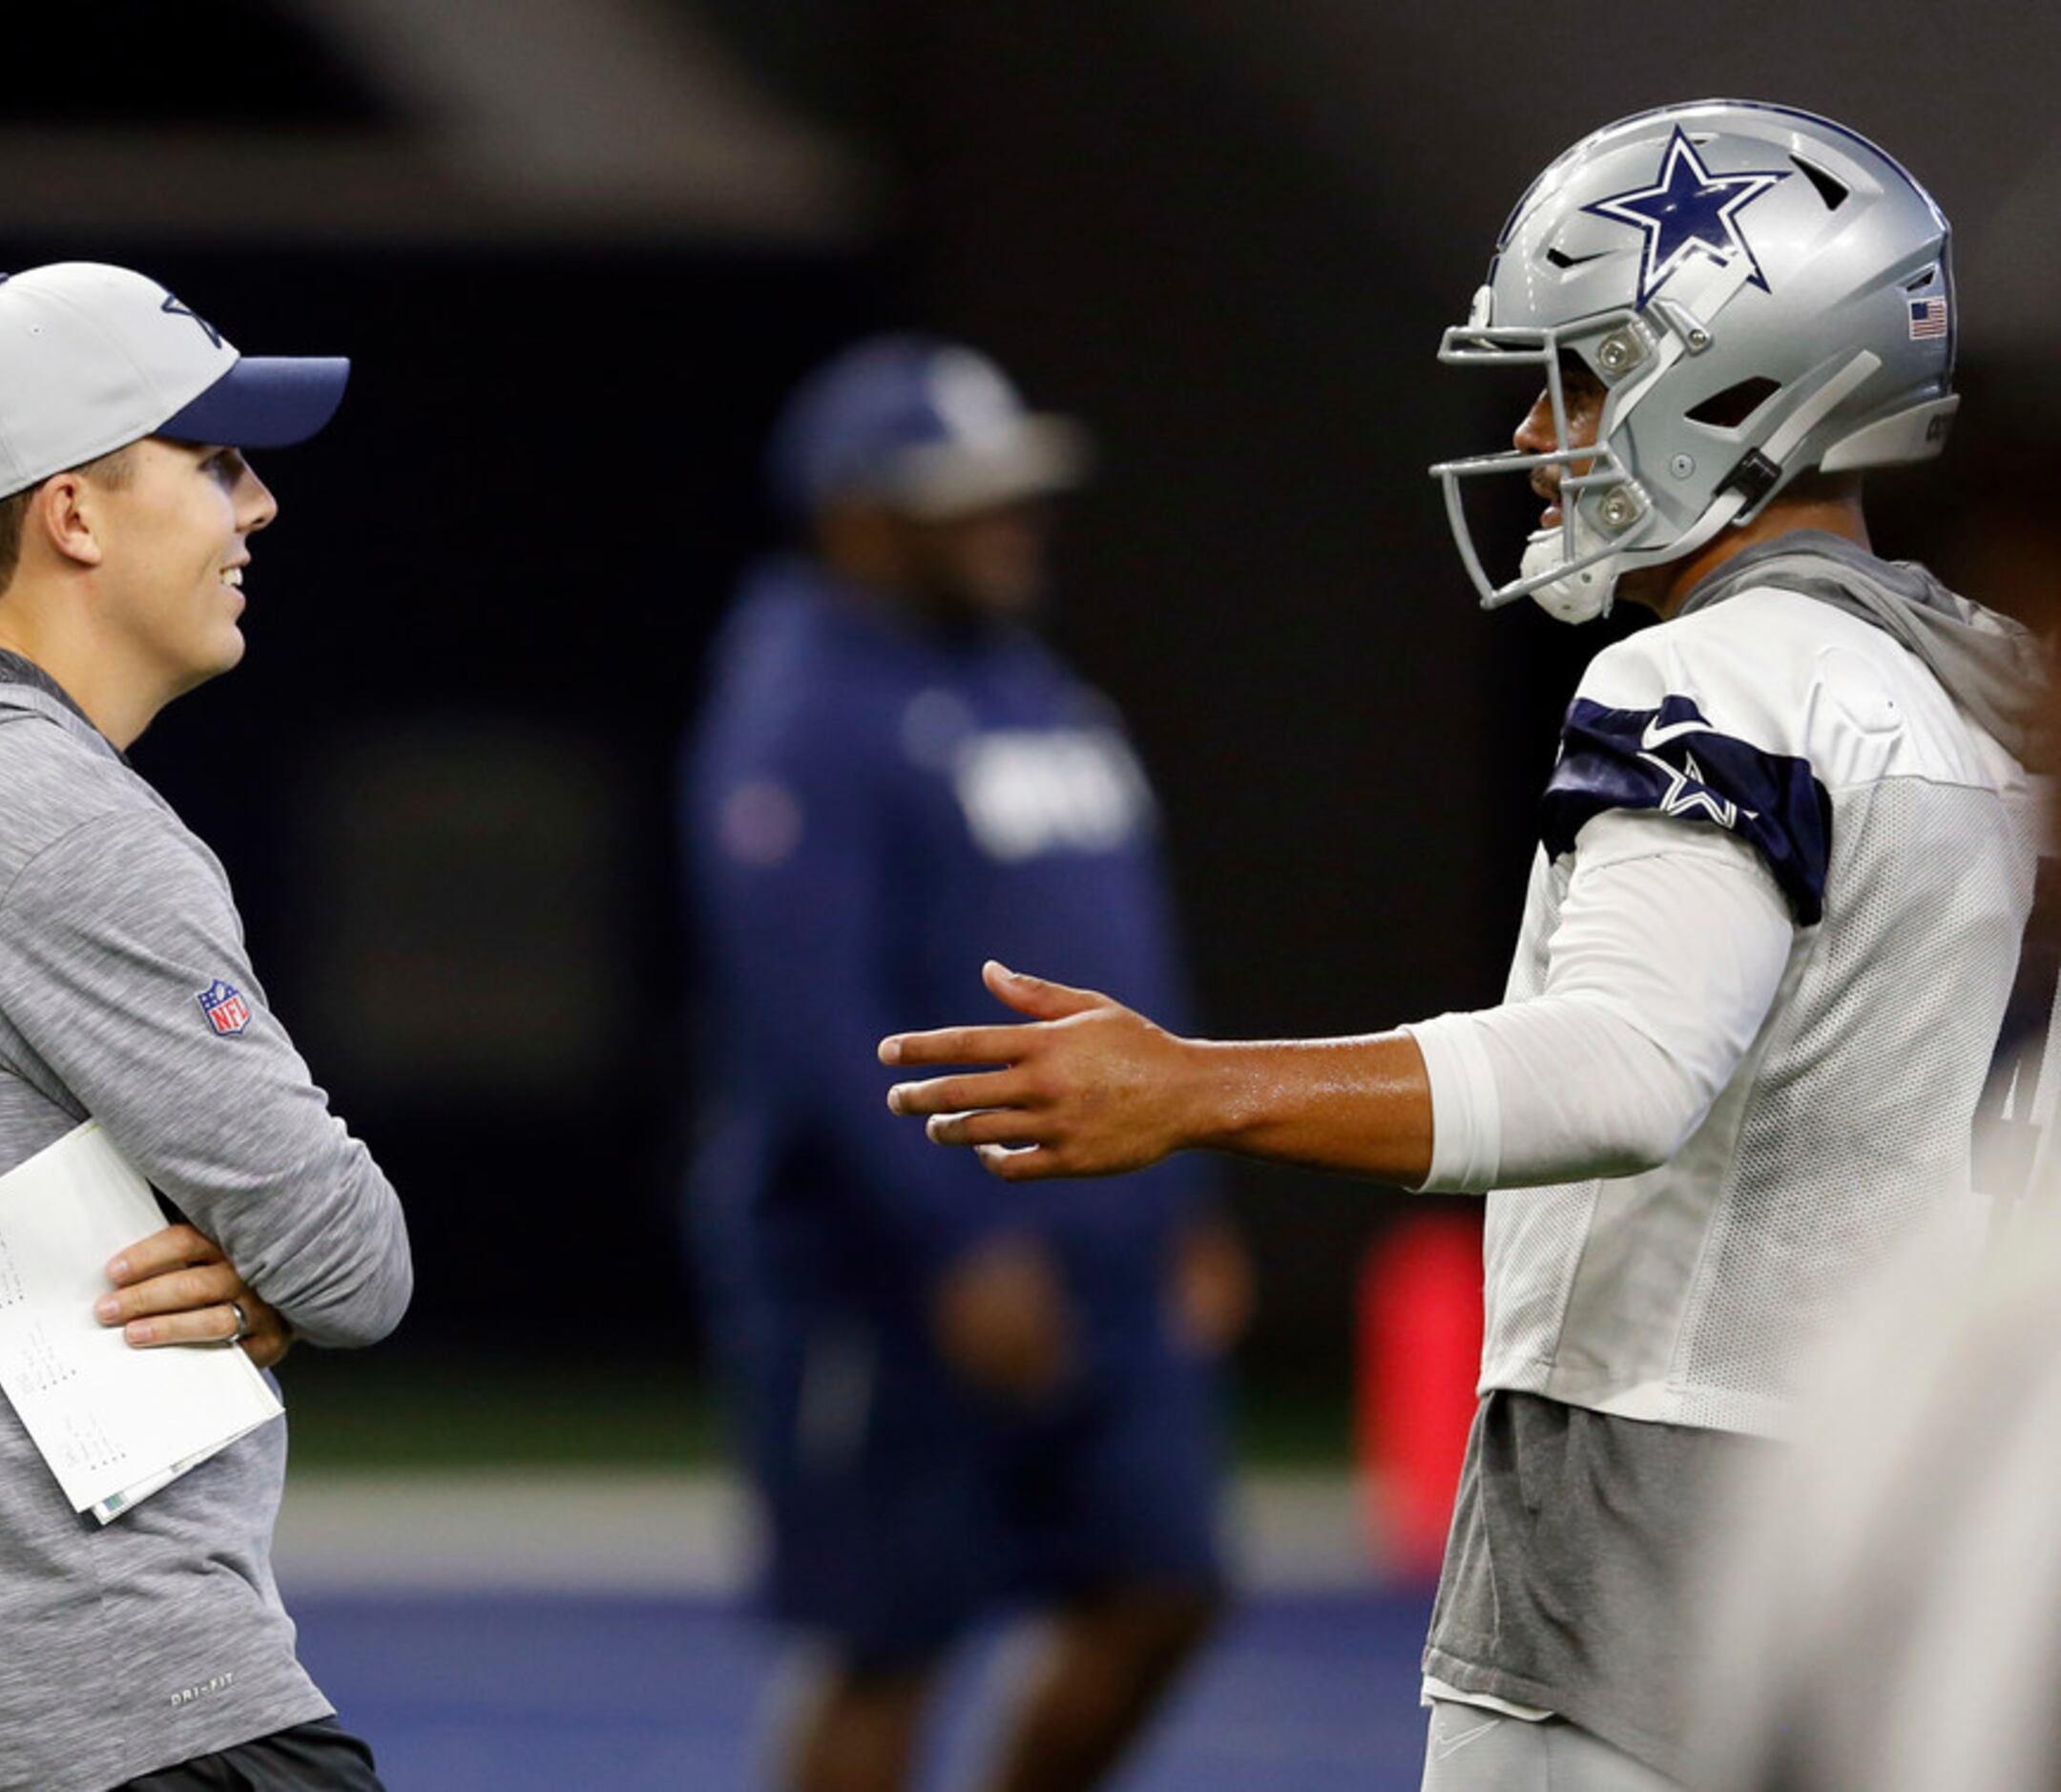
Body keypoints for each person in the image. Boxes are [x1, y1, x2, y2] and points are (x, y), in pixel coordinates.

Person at [875, 102, 2044, 1789]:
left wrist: (1196, 1089)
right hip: (1944, 1491)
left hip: (1661, 1499)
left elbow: (1623, 1067)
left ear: (1728, 380)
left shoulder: (1720, 681)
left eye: (1575, 375)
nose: (1536, 428)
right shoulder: (1998, 688)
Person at [0, 261, 412, 1790]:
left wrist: (248, 1265)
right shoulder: (55, 826)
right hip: (140, 1713)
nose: (258, 508)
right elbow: (355, 1260)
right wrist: (264, 1271)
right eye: (214, 462)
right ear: (75, 513)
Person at [682, 335, 1253, 1792]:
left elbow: (1122, 950)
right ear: (861, 513)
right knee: (893, 1641)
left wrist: (1183, 1190)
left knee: (1167, 1584)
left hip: (1105, 1249)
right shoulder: (804, 704)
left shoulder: (1027, 683)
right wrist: (952, 1241)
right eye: (970, 491)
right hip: (898, 1268)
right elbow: (813, 1016)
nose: (1014, 515)